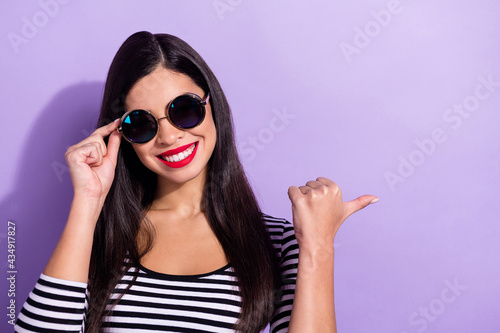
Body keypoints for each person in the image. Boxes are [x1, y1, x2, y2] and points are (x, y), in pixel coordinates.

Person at [15, 31, 378, 333]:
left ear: (212, 106)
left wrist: (318, 245)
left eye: (184, 110)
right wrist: (88, 201)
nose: (169, 137)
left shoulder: (278, 243)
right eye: (142, 123)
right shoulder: (102, 235)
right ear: (121, 135)